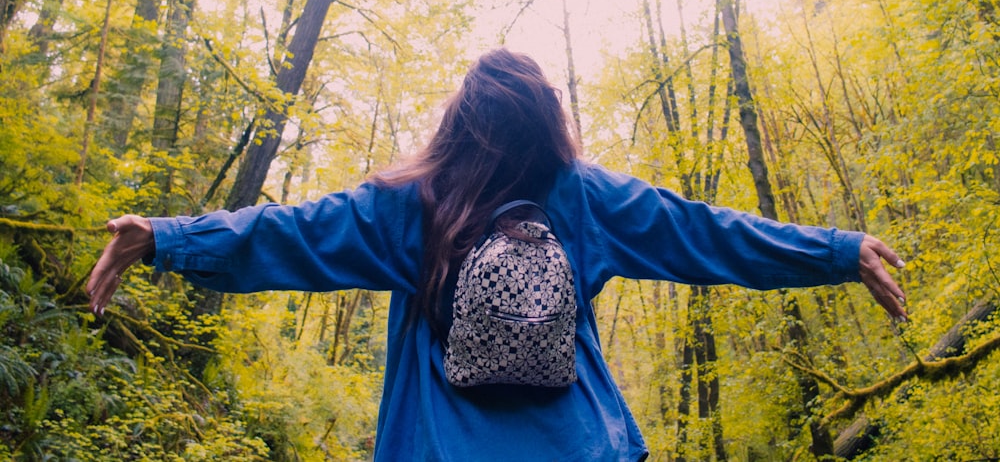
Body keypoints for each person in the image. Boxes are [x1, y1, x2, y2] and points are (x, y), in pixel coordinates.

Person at [88, 48, 907, 461]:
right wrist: (837, 251)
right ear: (547, 118)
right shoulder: (587, 197)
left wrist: (164, 237)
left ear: (459, 118)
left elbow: (288, 233)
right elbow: (710, 234)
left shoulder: (406, 203)